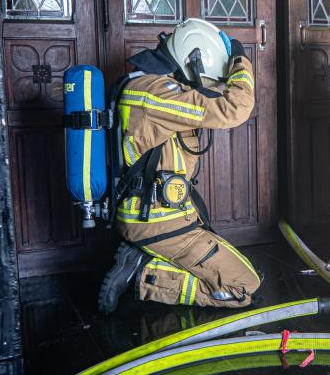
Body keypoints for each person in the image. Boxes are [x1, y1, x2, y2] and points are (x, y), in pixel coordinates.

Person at [97, 18, 261, 314]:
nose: (210, 87)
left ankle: (141, 258)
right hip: (156, 220)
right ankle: (144, 274)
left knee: (244, 273)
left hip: (165, 216)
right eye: (210, 80)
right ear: (193, 59)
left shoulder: (152, 86)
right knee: (243, 287)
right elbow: (234, 109)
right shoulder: (153, 91)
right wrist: (240, 61)